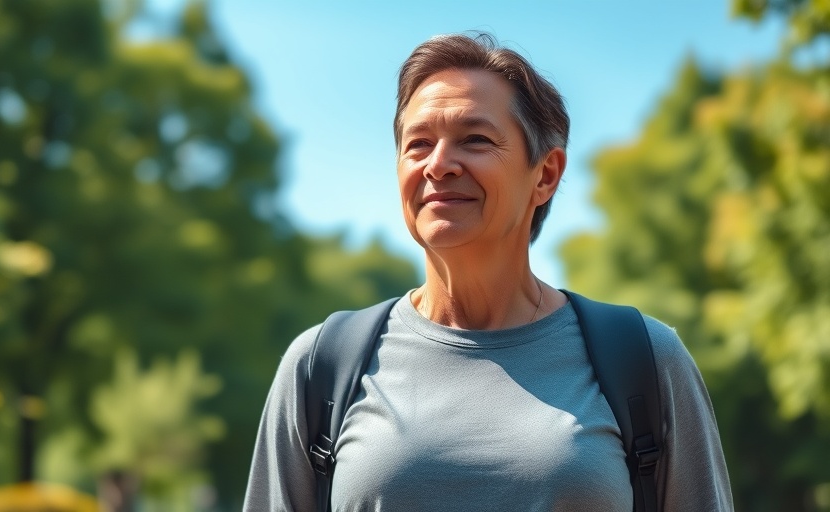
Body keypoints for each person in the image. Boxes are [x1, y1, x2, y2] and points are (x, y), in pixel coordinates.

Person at [244, 32, 732, 511]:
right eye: (418, 144)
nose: (438, 164)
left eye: (474, 140)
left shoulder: (644, 359)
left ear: (545, 175)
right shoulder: (321, 367)